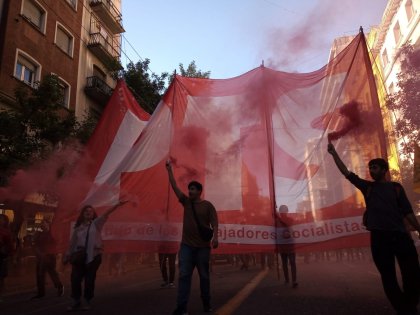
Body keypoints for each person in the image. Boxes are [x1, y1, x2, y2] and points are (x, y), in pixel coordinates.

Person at [327, 142, 420, 315]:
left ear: (384, 170)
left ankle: (411, 302)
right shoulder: (367, 187)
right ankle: (404, 309)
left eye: (375, 167)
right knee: (388, 277)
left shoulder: (396, 188)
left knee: (412, 273)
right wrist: (334, 154)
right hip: (379, 240)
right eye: (370, 168)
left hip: (400, 237)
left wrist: (418, 228)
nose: (371, 171)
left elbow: (408, 213)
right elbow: (346, 173)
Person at [165, 160, 219, 315]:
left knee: (204, 277)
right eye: (189, 189)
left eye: (193, 189)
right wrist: (169, 171)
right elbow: (174, 187)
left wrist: (215, 238)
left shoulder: (208, 206)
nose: (189, 191)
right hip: (187, 247)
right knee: (184, 276)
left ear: (199, 191)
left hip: (203, 248)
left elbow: (215, 222)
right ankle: (181, 308)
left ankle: (207, 305)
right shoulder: (186, 202)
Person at [63, 200, 128, 311]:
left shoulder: (96, 224)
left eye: (91, 211)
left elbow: (106, 213)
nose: (89, 212)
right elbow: (72, 243)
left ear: (93, 214)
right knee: (75, 279)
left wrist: (116, 205)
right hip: (79, 256)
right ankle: (76, 300)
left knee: (89, 279)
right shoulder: (77, 228)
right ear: (83, 214)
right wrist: (67, 255)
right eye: (86, 211)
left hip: (94, 256)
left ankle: (87, 300)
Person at [31, 219, 64, 299]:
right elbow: (35, 244)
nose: (42, 225)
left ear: (48, 224)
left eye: (44, 223)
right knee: (40, 274)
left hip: (50, 256)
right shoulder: (39, 234)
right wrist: (38, 252)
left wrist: (54, 253)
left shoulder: (52, 234)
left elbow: (57, 244)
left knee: (52, 273)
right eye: (41, 224)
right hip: (41, 256)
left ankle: (59, 286)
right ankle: (41, 292)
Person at [276, 205, 298, 288]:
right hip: (283, 245)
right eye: (282, 212)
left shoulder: (290, 220)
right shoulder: (276, 221)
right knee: (286, 263)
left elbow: (295, 230)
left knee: (291, 263)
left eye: (284, 212)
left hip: (289, 245)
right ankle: (288, 279)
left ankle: (293, 280)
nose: (283, 214)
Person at [0, 214, 14, 302]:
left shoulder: (6, 231)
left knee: (0, 277)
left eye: (1, 219)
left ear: (5, 221)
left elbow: (10, 245)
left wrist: (10, 254)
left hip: (2, 255)